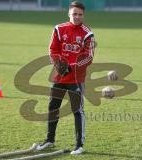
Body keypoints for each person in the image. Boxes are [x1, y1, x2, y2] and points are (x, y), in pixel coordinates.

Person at [36, 1, 95, 155]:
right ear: (69, 13)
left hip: (76, 79)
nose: (77, 17)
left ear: (83, 15)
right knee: (53, 108)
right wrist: (60, 65)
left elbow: (88, 57)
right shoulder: (59, 29)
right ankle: (49, 140)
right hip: (59, 77)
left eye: (80, 14)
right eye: (74, 13)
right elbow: (52, 50)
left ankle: (79, 145)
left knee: (77, 111)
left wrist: (72, 67)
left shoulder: (88, 33)